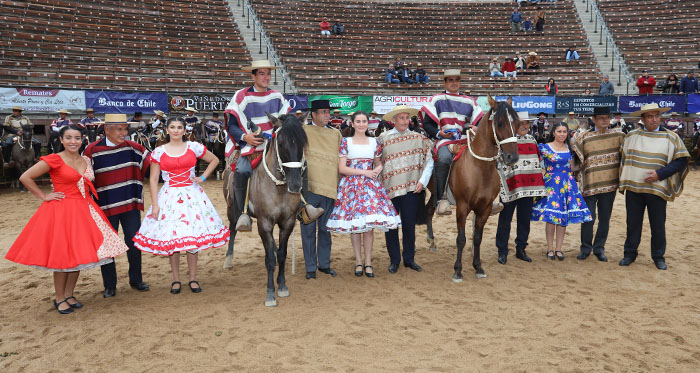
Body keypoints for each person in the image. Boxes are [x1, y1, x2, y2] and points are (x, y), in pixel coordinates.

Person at [5, 125, 129, 314]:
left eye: (77, 138)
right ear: (61, 140)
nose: (73, 141)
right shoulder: (54, 159)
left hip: (85, 210)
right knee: (63, 257)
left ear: (82, 140)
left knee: (77, 256)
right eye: (69, 138)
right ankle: (59, 298)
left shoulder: (86, 159)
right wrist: (44, 196)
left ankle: (70, 294)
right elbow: (25, 177)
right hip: (62, 212)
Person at [133, 117, 228, 293]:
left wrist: (204, 177)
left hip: (192, 195)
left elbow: (214, 160)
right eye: (172, 127)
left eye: (179, 127)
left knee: (191, 238)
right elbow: (153, 179)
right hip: (169, 197)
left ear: (184, 130)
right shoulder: (159, 151)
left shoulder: (194, 147)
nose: (176, 130)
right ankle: (175, 279)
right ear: (167, 130)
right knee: (172, 240)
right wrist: (155, 204)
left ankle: (193, 278)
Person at [225, 60, 322, 231]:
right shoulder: (241, 96)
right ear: (253, 75)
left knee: (301, 166)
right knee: (241, 171)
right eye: (262, 73)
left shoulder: (277, 96)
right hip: (252, 147)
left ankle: (304, 207)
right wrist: (244, 137)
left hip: (275, 147)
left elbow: (288, 122)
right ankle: (243, 213)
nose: (266, 77)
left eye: (268, 74)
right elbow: (232, 124)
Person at [83, 114, 151, 298]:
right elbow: (83, 178)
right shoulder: (91, 151)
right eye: (119, 129)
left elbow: (153, 168)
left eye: (125, 129)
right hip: (104, 208)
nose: (124, 133)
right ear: (106, 129)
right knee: (107, 247)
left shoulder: (135, 148)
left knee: (134, 243)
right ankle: (109, 285)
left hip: (130, 204)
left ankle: (136, 280)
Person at [326, 111, 401, 278]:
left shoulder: (374, 142)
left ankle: (368, 262)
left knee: (368, 227)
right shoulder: (346, 142)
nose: (361, 124)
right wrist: (364, 173)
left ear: (368, 123)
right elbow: (342, 168)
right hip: (351, 187)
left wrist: (377, 170)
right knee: (355, 227)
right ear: (352, 123)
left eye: (364, 121)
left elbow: (379, 162)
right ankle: (358, 262)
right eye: (358, 121)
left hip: (370, 187)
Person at [619, 103, 689, 270]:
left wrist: (660, 174)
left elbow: (681, 160)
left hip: (657, 188)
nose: (655, 119)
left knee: (657, 225)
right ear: (642, 119)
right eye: (650, 116)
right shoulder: (631, 136)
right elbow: (623, 159)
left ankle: (658, 256)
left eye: (657, 116)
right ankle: (630, 254)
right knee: (632, 223)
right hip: (634, 188)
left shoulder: (671, 137)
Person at [421, 68, 484, 215]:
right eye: (451, 80)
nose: (454, 83)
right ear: (445, 82)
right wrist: (439, 133)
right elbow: (427, 124)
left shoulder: (470, 101)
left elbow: (480, 121)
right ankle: (440, 199)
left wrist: (476, 127)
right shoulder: (436, 99)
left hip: (465, 139)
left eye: (457, 80)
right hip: (445, 140)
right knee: (443, 159)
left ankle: (490, 198)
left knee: (486, 157)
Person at [378, 106, 433, 273]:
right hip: (389, 189)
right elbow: (377, 162)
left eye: (406, 118)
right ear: (393, 120)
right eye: (400, 118)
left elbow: (429, 161)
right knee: (391, 226)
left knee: (409, 225)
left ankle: (409, 259)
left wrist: (422, 182)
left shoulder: (419, 139)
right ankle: (394, 260)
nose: (404, 121)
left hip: (412, 188)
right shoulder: (383, 139)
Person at [531, 122, 592, 260]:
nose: (562, 134)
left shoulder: (570, 148)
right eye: (559, 131)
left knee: (562, 217)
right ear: (554, 132)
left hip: (567, 185)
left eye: (564, 132)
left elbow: (574, 167)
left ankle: (559, 248)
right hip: (551, 185)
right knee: (552, 217)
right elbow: (533, 161)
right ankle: (550, 248)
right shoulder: (544, 148)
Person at [572, 107, 625, 262]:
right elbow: (576, 161)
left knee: (605, 218)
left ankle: (599, 248)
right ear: (593, 119)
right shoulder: (584, 137)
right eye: (601, 118)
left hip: (609, 185)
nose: (604, 120)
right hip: (589, 184)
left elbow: (626, 157)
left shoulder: (619, 135)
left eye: (607, 117)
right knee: (588, 218)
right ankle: (585, 248)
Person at [495, 112, 546, 264]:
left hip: (528, 187)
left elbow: (537, 161)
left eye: (527, 124)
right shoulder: (505, 141)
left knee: (524, 220)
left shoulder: (532, 140)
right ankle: (502, 251)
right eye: (521, 123)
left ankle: (521, 249)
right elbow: (499, 163)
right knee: (505, 220)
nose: (524, 126)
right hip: (510, 187)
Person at [301, 100, 343, 279]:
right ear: (314, 115)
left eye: (329, 112)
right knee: (308, 230)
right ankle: (311, 268)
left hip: (330, 187)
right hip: (309, 188)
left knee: (326, 229)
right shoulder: (303, 131)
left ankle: (324, 264)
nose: (328, 115)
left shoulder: (336, 134)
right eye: (324, 112)